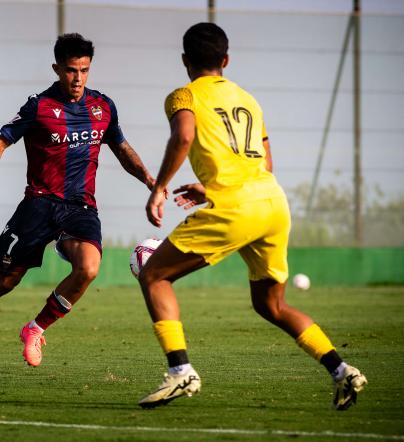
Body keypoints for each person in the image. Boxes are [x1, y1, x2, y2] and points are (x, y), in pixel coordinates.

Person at [137, 23, 367, 410]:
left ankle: (180, 372)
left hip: (236, 206)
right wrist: (210, 189)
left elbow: (184, 137)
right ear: (225, 60)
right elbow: (264, 163)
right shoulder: (248, 100)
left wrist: (160, 187)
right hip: (272, 204)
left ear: (184, 61)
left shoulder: (183, 95)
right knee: (271, 306)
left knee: (154, 275)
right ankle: (342, 369)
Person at [0, 33, 155, 371]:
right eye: (71, 70)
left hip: (80, 206)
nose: (77, 78)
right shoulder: (39, 106)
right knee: (5, 281)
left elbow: (121, 148)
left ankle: (35, 328)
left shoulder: (103, 107)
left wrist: (149, 179)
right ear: (57, 68)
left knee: (88, 268)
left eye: (84, 70)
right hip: (39, 204)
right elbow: (3, 139)